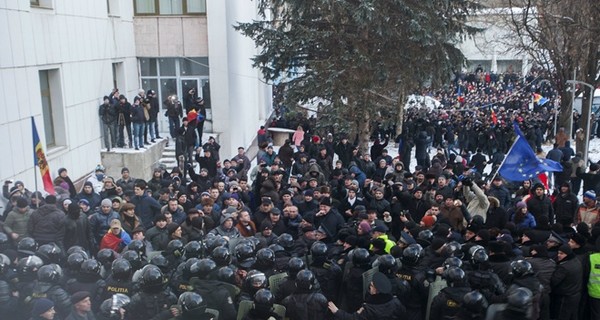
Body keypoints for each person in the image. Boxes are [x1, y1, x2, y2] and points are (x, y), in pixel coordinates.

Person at [328, 271, 406, 320]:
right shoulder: (396, 302)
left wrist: (337, 311)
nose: (369, 287)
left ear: (376, 291)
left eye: (372, 286)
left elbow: (353, 318)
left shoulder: (369, 309)